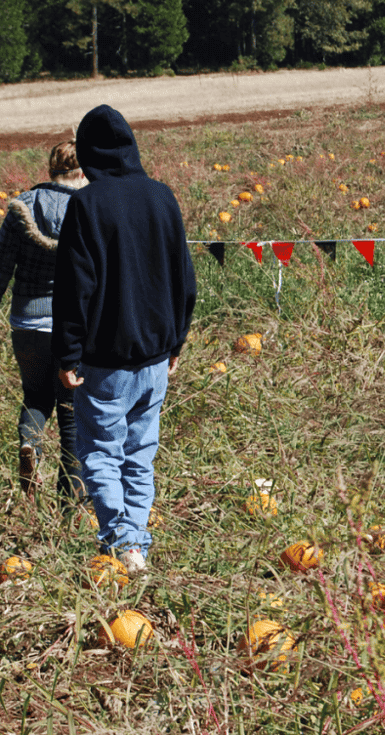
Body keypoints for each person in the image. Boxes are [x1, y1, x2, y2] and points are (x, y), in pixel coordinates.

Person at [53, 106, 196, 575]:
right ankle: (137, 546)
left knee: (99, 454)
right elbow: (184, 279)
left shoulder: (88, 205)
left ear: (89, 154)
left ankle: (125, 543)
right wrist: (176, 341)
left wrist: (68, 353)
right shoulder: (162, 198)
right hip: (156, 358)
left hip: (106, 360)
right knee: (139, 456)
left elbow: (77, 288)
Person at [0, 142, 87, 500]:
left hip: (26, 321)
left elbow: (1, 267)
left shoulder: (22, 205)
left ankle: (30, 445)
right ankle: (72, 499)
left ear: (51, 170)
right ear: (81, 172)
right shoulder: (87, 208)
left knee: (35, 395)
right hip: (71, 326)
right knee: (72, 413)